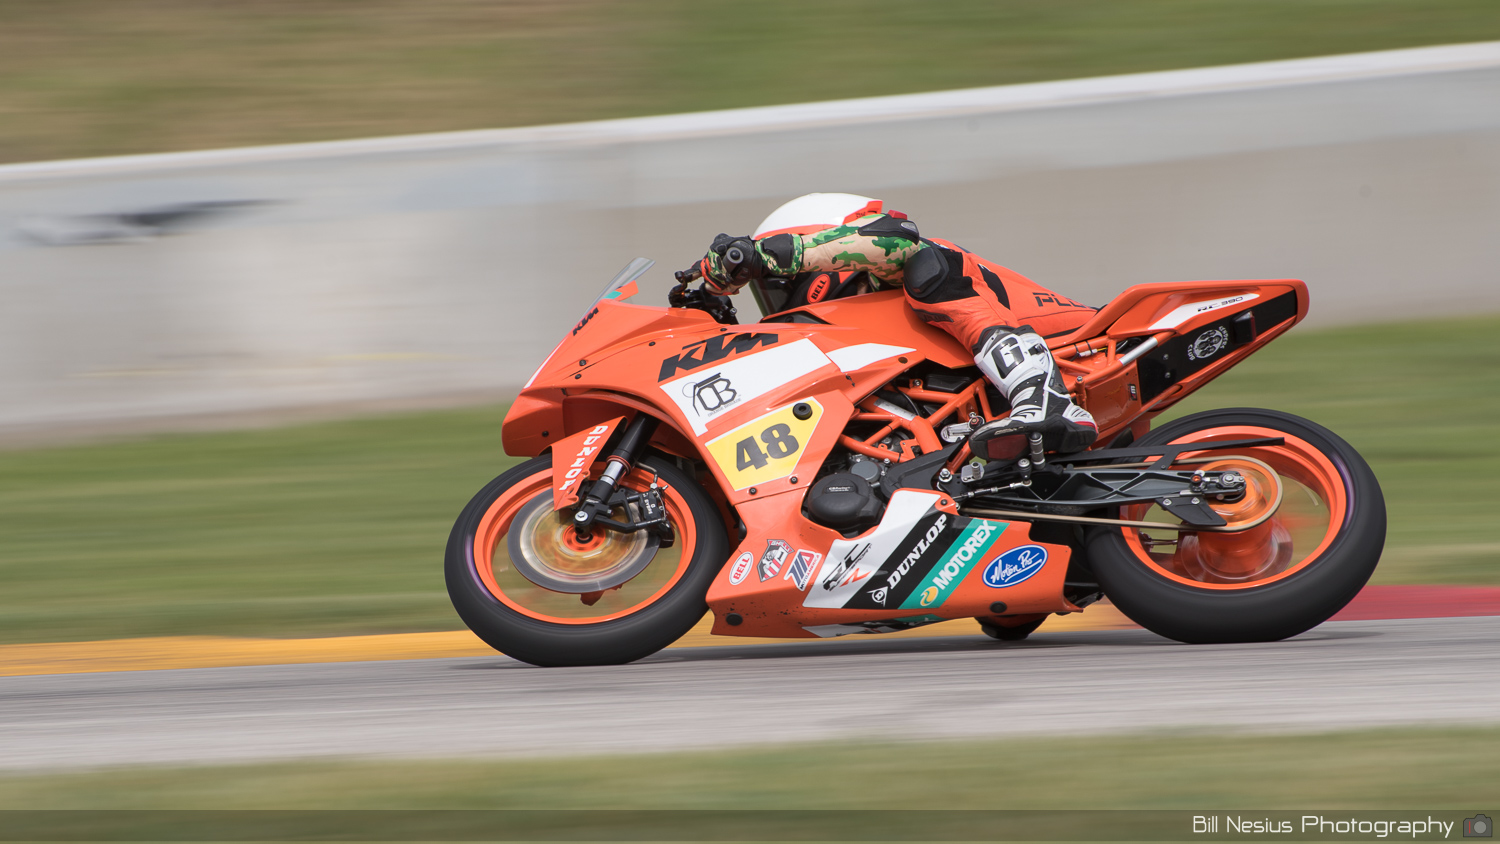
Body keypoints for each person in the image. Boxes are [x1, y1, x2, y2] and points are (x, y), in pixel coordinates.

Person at [691, 193, 1098, 455]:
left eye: (778, 288)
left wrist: (766, 255)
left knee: (928, 268)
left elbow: (896, 239)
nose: (776, 308)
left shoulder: (902, 259)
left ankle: (1040, 394)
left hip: (1088, 343)